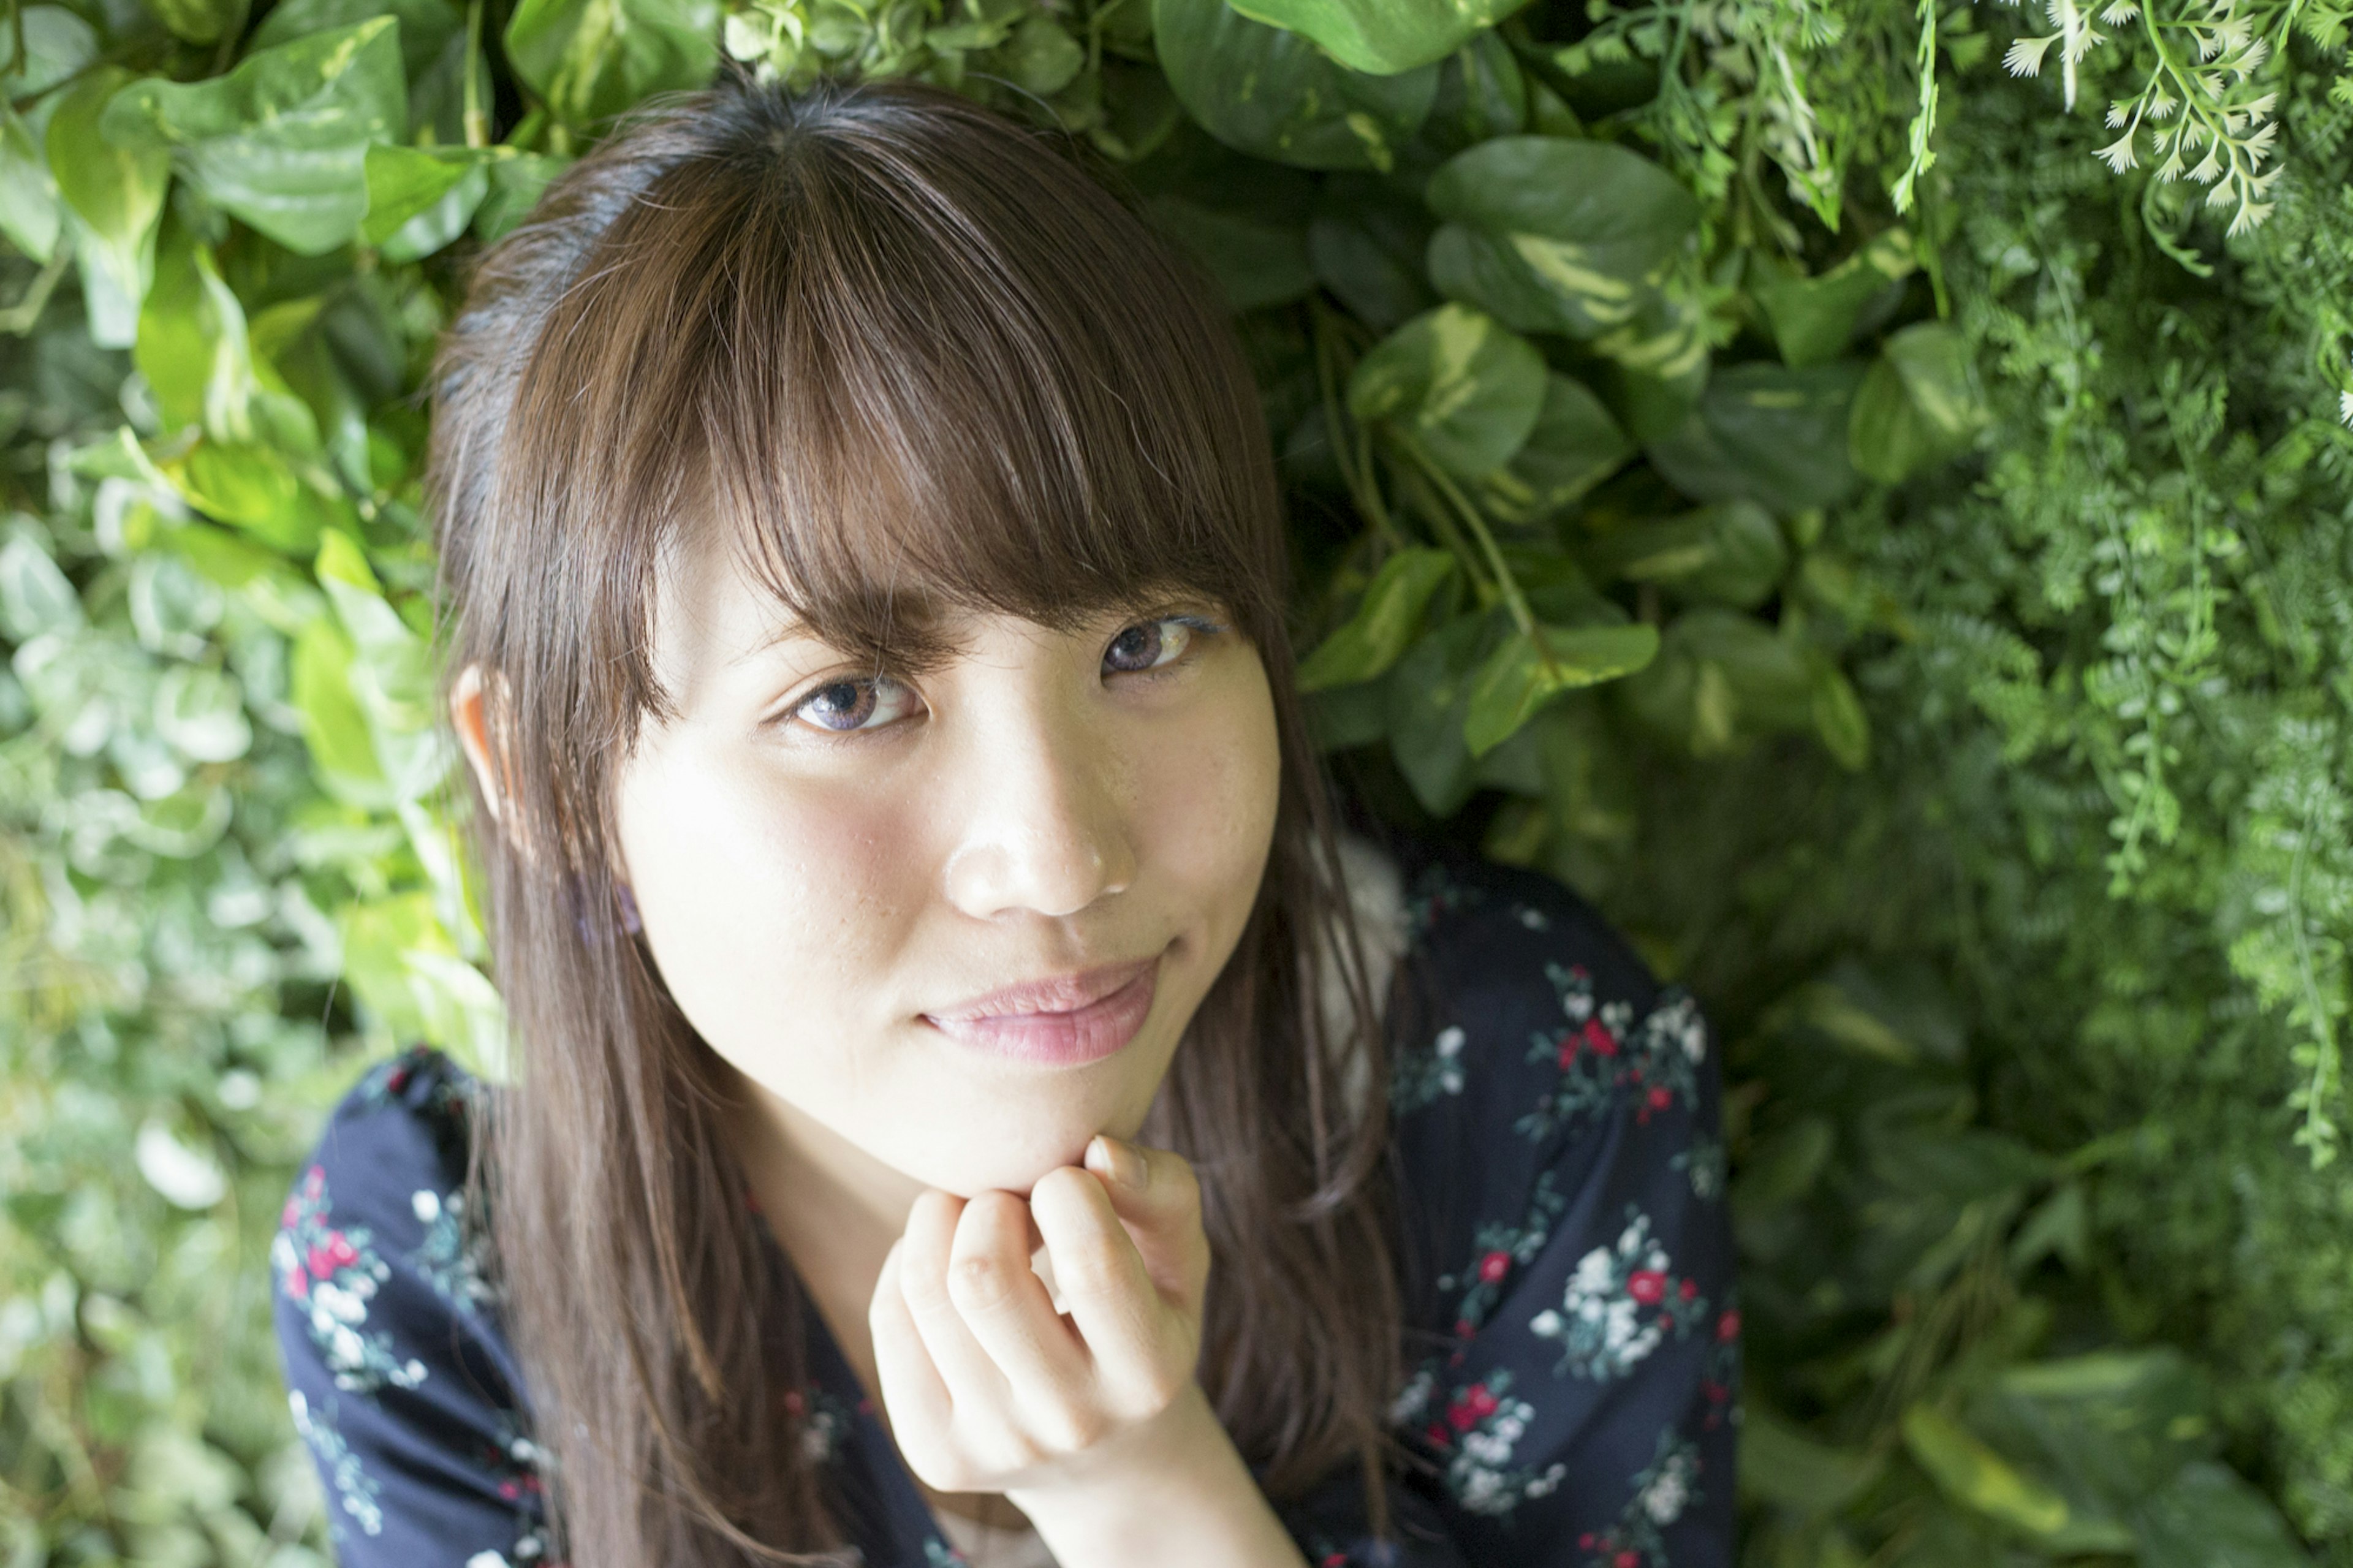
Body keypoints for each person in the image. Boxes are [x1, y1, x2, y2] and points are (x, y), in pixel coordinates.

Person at [269, 66, 1740, 1568]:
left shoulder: (1518, 1090)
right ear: (547, 782)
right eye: (849, 698)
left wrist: (1145, 1502)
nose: (1059, 854)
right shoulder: (441, 1275)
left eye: (1147, 642)